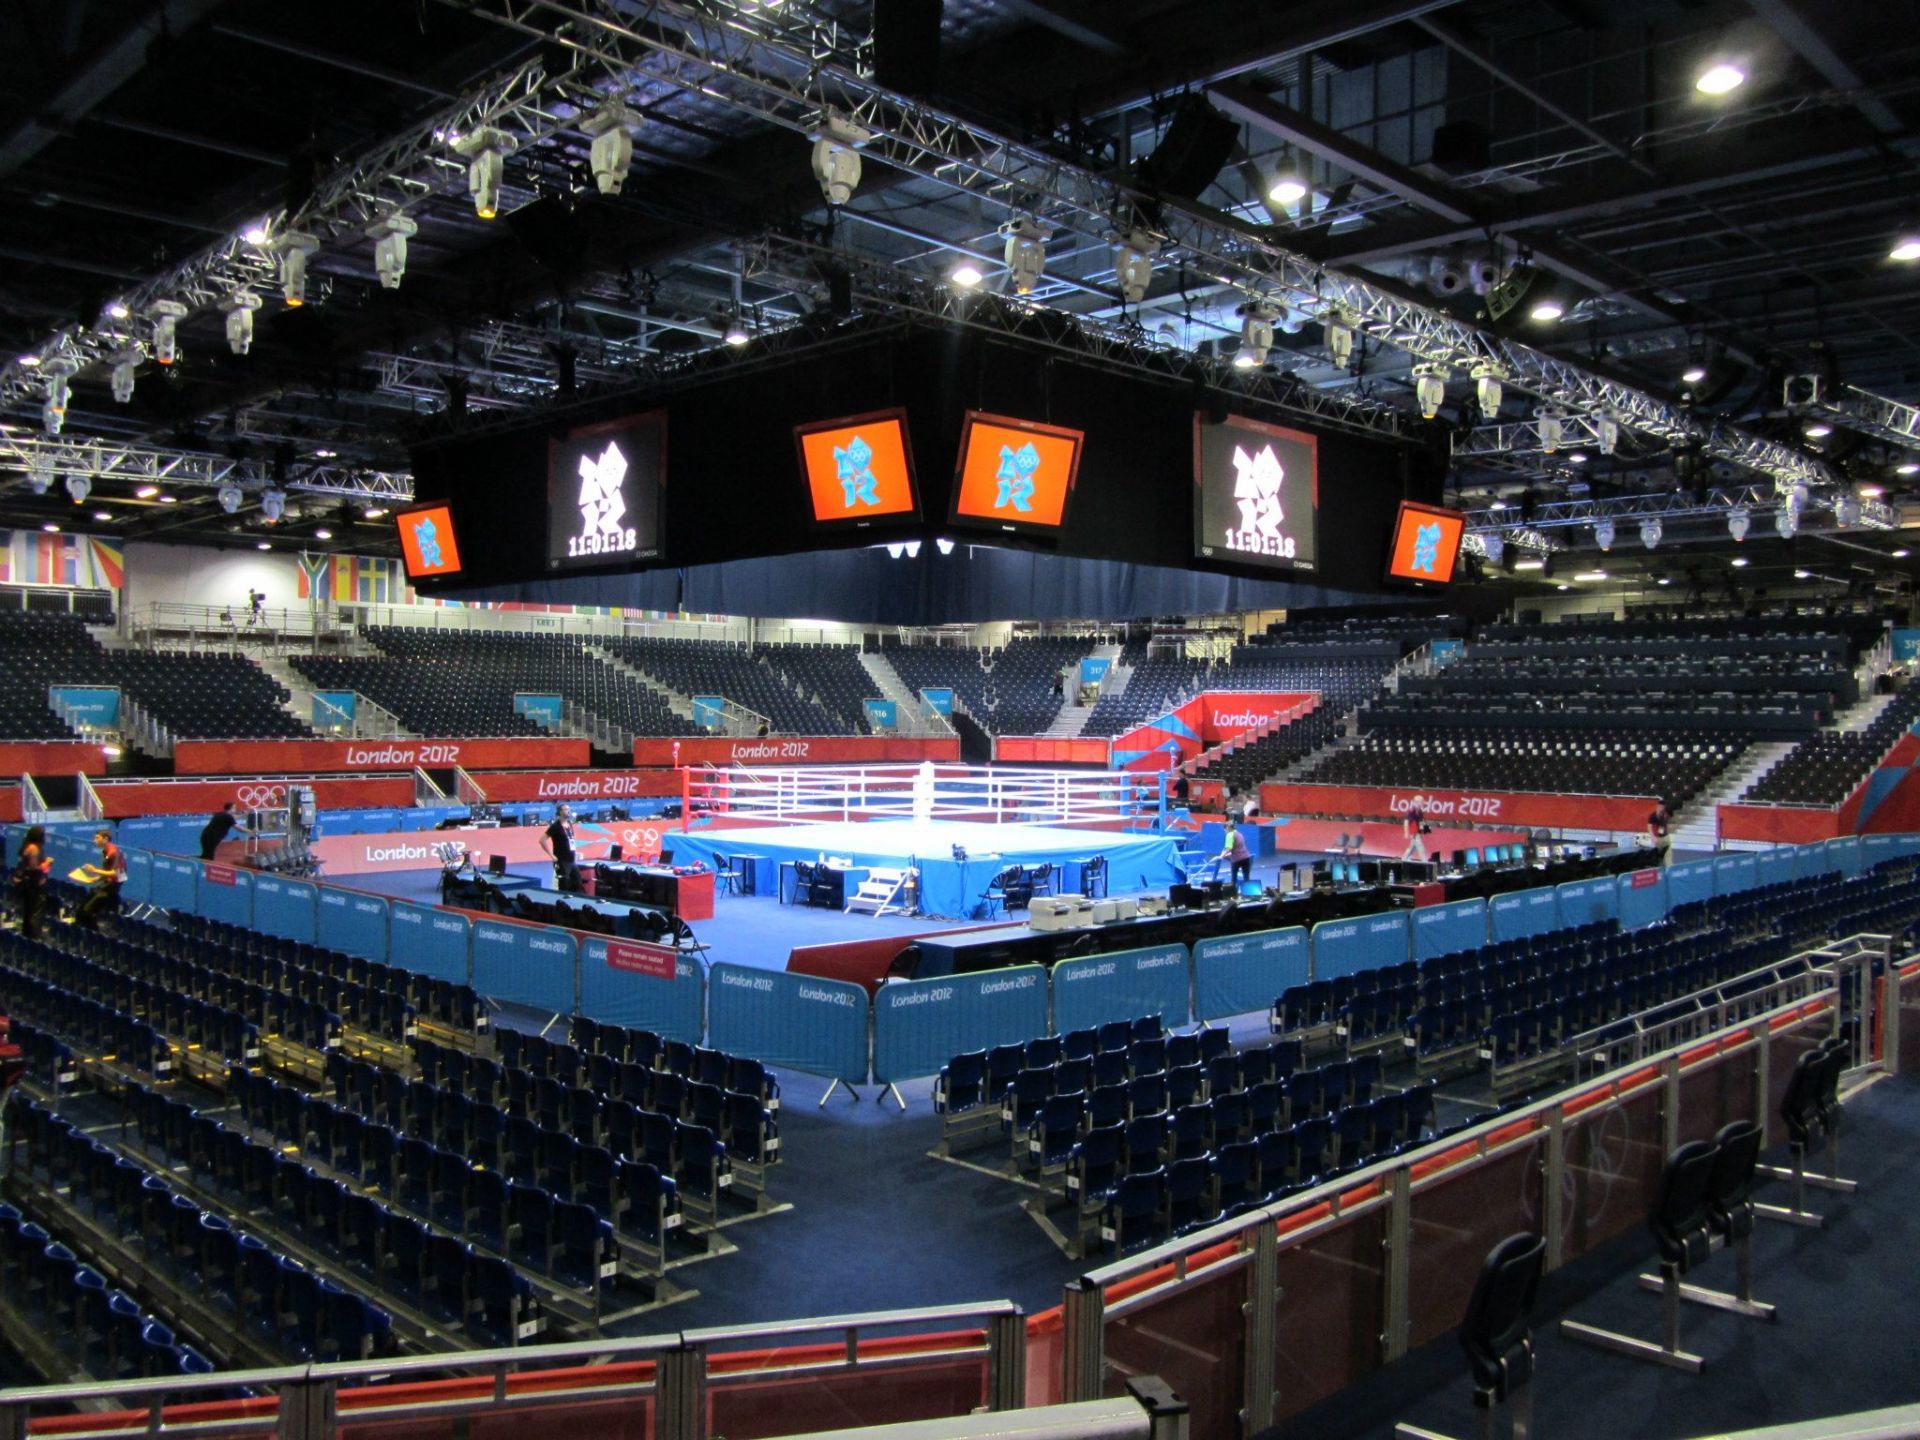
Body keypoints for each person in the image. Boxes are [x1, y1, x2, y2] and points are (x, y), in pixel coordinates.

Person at [73, 828, 125, 932]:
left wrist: (94, 870)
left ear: (105, 839)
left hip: (111, 887)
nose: (94, 840)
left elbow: (117, 873)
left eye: (97, 838)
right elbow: (108, 871)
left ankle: (95, 934)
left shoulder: (114, 852)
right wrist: (96, 878)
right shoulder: (105, 851)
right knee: (80, 910)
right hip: (106, 884)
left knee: (87, 911)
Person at [10, 826, 50, 941]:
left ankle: (27, 937)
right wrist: (46, 864)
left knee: (28, 912)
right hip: (33, 885)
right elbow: (34, 867)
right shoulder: (34, 848)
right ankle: (34, 937)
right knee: (34, 913)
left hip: (29, 884)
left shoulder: (28, 846)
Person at [542, 803, 582, 894]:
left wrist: (575, 851)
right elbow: (542, 840)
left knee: (577, 882)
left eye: (568, 809)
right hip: (562, 860)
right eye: (565, 809)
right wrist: (551, 855)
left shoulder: (569, 824)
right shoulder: (556, 826)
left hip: (571, 860)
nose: (568, 811)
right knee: (564, 884)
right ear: (560, 812)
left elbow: (570, 840)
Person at [1220, 821, 1252, 888]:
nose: (1224, 831)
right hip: (1246, 857)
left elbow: (1229, 848)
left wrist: (1221, 856)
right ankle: (1248, 892)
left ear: (1227, 828)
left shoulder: (1229, 835)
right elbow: (1237, 847)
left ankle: (1233, 892)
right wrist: (1226, 854)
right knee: (1246, 877)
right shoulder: (1239, 834)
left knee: (1234, 878)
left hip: (1237, 859)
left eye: (1224, 829)